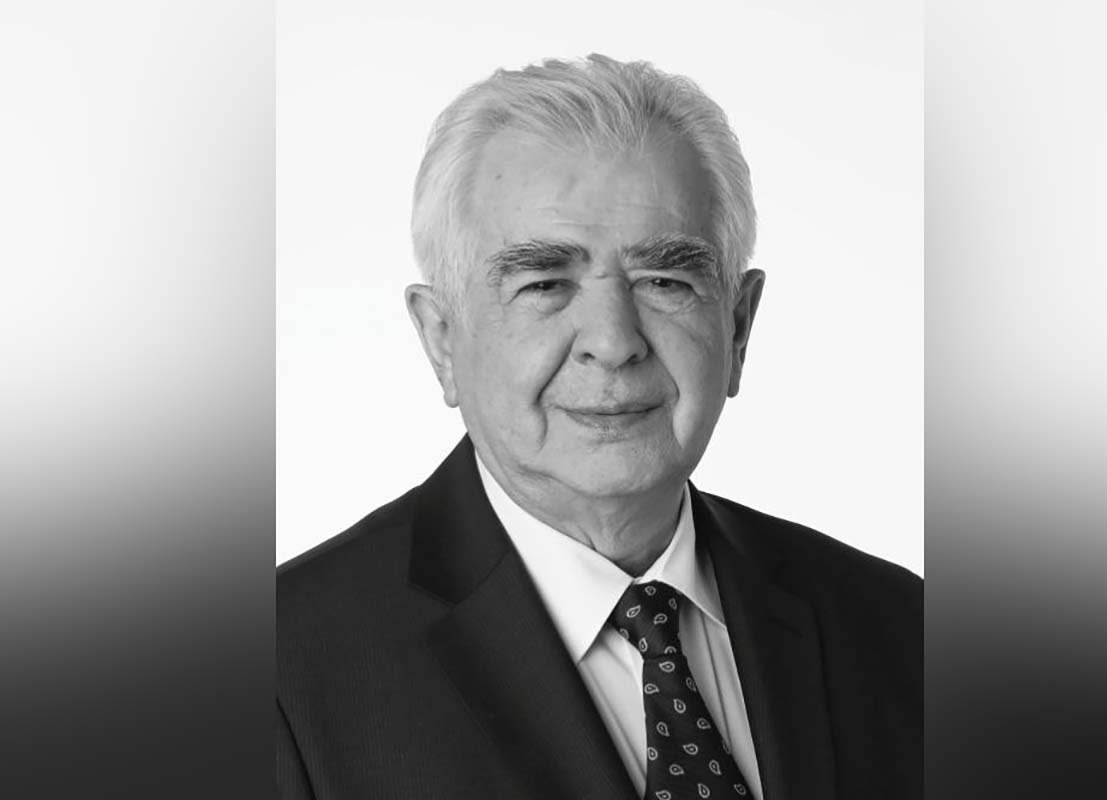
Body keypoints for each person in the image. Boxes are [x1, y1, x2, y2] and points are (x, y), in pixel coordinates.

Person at [277, 54, 921, 800]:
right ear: (442, 339)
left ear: (738, 328)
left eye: (665, 281)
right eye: (545, 283)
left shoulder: (900, 629)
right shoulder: (279, 676)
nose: (613, 342)